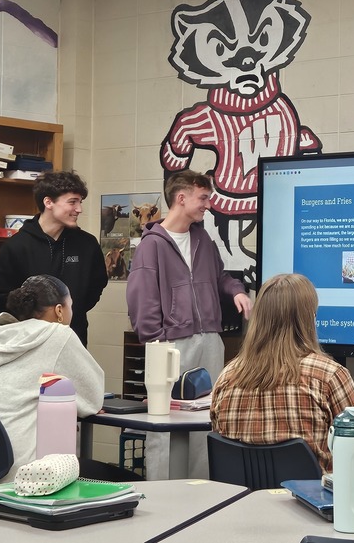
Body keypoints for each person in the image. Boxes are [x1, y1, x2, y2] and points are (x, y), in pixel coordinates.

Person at [210, 273, 354, 480]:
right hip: (313, 497)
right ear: (310, 318)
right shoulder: (329, 375)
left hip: (246, 497)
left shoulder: (226, 377)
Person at [126, 169, 252, 479]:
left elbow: (220, 276)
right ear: (181, 198)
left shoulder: (203, 239)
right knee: (165, 424)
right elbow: (142, 302)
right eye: (203, 198)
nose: (208, 205)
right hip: (170, 345)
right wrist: (159, 344)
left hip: (210, 341)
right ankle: (163, 492)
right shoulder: (151, 245)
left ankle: (201, 492)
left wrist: (236, 291)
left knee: (206, 423)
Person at [0, 275, 106, 482]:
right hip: (23, 474)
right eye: (71, 306)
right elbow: (93, 398)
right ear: (59, 311)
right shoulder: (58, 334)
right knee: (125, 477)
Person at [0, 170, 108, 346]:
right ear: (48, 202)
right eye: (72, 202)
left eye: (80, 202)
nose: (79, 209)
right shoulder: (17, 246)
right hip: (26, 342)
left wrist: (69, 313)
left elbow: (96, 286)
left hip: (72, 338)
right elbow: (0, 296)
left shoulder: (87, 245)